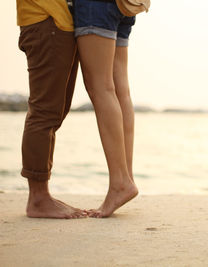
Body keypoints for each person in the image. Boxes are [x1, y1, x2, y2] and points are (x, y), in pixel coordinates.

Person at [17, 0, 86, 218]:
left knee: (56, 112)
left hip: (60, 23)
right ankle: (38, 198)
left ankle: (41, 194)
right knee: (44, 113)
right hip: (46, 20)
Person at [74, 0, 139, 218]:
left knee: (101, 87)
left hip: (95, 5)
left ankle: (120, 182)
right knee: (120, 89)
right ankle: (125, 178)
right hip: (125, 4)